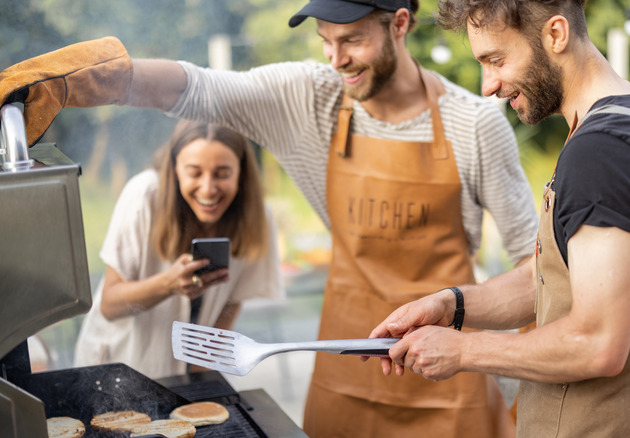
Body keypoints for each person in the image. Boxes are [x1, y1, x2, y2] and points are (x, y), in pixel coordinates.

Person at [0, 0, 539, 436]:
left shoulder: (474, 125)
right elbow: (196, 87)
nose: (337, 59)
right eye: (326, 40)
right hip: (344, 371)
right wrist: (93, 80)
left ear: (399, 24)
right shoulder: (312, 97)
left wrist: (524, 380)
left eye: (351, 40)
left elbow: (530, 262)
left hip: (446, 376)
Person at [369, 1, 630, 437]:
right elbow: (551, 278)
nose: (489, 85)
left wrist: (464, 351)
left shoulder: (605, 152)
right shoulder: (629, 122)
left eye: (497, 59)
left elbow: (597, 343)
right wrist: (451, 305)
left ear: (556, 35)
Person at [73, 120, 284, 379]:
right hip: (118, 369)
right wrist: (167, 285)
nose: (208, 188)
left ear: (241, 172)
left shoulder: (258, 216)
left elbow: (232, 303)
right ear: (174, 169)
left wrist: (199, 374)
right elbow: (109, 305)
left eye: (222, 174)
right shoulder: (144, 195)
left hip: (185, 374)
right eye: (195, 173)